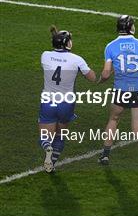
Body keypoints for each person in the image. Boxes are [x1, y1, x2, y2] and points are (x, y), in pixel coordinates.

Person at [98, 15, 138, 177]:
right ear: (131, 27)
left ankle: (105, 155)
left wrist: (102, 79)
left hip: (121, 91)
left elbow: (106, 73)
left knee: (113, 120)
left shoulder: (110, 46)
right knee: (137, 128)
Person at [39, 26, 97, 173]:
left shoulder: (44, 55)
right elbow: (92, 78)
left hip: (48, 101)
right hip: (67, 103)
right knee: (60, 135)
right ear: (67, 43)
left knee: (45, 136)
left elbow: (56, 55)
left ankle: (47, 147)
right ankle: (51, 164)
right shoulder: (77, 60)